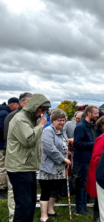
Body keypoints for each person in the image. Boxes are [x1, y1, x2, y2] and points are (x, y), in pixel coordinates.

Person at [5, 93, 50, 222]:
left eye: (46, 110)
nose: (44, 113)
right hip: (19, 167)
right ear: (34, 106)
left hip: (28, 166)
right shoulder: (20, 119)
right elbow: (29, 139)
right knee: (23, 206)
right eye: (42, 109)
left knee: (29, 205)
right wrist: (41, 126)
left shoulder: (31, 118)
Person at [37, 109, 72, 222]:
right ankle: (43, 216)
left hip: (59, 167)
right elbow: (49, 149)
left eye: (63, 120)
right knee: (46, 190)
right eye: (59, 120)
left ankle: (50, 211)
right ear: (53, 120)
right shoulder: (47, 131)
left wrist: (67, 151)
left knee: (54, 189)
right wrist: (63, 159)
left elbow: (63, 144)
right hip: (47, 166)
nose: (62, 122)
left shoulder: (63, 131)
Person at [3, 92, 32, 221]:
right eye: (29, 101)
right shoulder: (13, 117)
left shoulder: (28, 116)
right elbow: (9, 139)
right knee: (13, 190)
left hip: (26, 161)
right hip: (15, 160)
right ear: (21, 102)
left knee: (25, 195)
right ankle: (12, 216)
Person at [73, 105, 99, 216]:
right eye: (96, 113)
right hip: (82, 160)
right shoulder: (81, 127)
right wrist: (94, 144)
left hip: (89, 159)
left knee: (86, 184)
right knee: (81, 184)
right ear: (89, 114)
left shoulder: (92, 127)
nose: (97, 115)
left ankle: (84, 206)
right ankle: (79, 208)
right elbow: (76, 143)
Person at [0, 97, 19, 199]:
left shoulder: (4, 112)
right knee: (2, 167)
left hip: (3, 144)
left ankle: (4, 186)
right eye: (17, 104)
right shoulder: (4, 113)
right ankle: (1, 188)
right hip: (1, 145)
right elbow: (2, 129)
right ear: (12, 104)